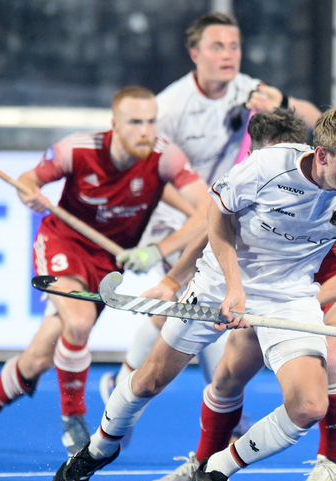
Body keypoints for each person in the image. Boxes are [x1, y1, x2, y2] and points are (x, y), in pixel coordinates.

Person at [46, 100, 336, 481]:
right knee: (150, 380)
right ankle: (97, 450)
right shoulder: (267, 166)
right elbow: (216, 215)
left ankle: (217, 469)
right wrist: (228, 287)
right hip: (219, 282)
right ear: (322, 155)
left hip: (290, 296)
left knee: (310, 406)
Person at [0, 86, 210, 458]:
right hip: (63, 246)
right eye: (135, 122)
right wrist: (30, 193)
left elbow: (206, 210)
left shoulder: (164, 156)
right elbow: (29, 180)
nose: (146, 131)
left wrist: (156, 251)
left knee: (38, 358)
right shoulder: (77, 150)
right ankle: (74, 421)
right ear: (114, 125)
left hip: (106, 263)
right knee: (78, 324)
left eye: (151, 121)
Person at [144, 109, 336, 481]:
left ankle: (334, 463)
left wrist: (281, 314)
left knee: (331, 358)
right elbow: (210, 234)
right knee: (227, 374)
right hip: (280, 291)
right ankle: (204, 463)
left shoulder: (331, 192)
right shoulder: (254, 183)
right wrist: (171, 283)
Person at [101, 12, 323, 400]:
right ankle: (205, 403)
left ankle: (152, 390)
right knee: (195, 299)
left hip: (224, 210)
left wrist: (283, 102)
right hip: (176, 214)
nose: (228, 55)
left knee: (196, 307)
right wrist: (198, 207)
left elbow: (320, 126)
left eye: (234, 46)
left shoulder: (248, 89)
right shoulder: (169, 108)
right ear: (195, 54)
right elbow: (147, 174)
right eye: (217, 47)